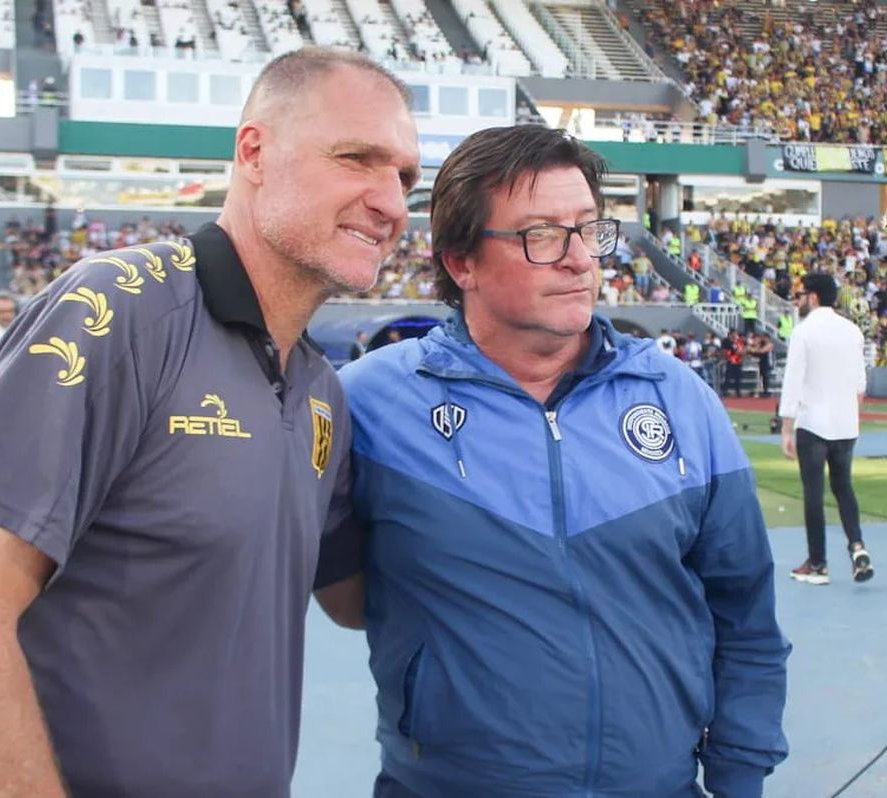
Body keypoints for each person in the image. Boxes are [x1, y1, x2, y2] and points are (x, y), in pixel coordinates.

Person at [0, 48, 420, 798]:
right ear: (254, 152)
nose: (391, 202)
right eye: (357, 159)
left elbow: (351, 597)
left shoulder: (318, 392)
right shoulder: (119, 311)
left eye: (403, 176)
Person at [315, 125, 789, 797]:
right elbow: (338, 595)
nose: (579, 260)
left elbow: (745, 613)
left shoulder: (679, 398)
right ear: (461, 263)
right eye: (541, 235)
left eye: (589, 230)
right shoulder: (368, 404)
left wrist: (740, 777)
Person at [778, 272, 873, 585]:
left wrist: (786, 427)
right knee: (844, 487)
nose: (799, 300)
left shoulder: (804, 331)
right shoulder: (853, 331)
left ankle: (818, 563)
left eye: (802, 294)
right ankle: (857, 546)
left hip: (813, 423)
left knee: (813, 492)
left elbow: (793, 381)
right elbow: (861, 385)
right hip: (846, 425)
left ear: (813, 297)